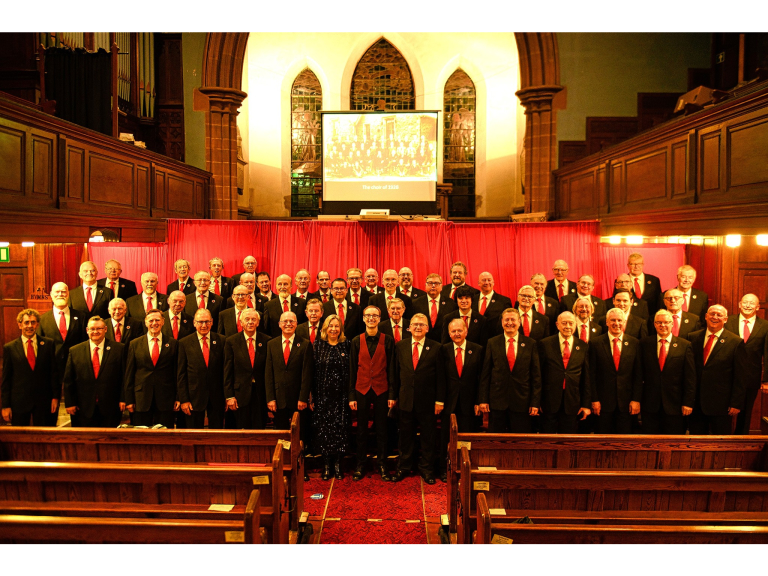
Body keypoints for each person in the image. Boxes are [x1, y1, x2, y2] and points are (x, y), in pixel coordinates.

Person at [390, 313, 445, 484]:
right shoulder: (400, 346)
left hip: (428, 402)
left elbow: (441, 378)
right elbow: (394, 374)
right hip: (405, 400)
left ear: (427, 328)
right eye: (415, 324)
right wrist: (393, 397)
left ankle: (427, 469)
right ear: (409, 327)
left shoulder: (436, 347)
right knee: (405, 437)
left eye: (422, 324)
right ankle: (403, 467)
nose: (418, 327)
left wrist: (439, 400)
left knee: (428, 438)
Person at [349, 306, 395, 481]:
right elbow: (352, 370)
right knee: (361, 430)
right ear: (363, 318)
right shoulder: (356, 341)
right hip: (361, 389)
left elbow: (391, 368)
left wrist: (392, 394)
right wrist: (352, 395)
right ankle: (360, 464)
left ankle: (382, 464)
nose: (371, 318)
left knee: (382, 430)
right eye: (368, 315)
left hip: (382, 389)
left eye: (374, 315)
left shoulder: (388, 340)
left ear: (380, 318)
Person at [478, 309, 541, 433]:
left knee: (520, 443)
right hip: (497, 402)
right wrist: (483, 399)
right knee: (496, 442)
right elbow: (485, 374)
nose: (510, 323)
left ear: (519, 322)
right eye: (507, 320)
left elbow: (536, 376)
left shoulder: (530, 344)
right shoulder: (492, 342)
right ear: (502, 322)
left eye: (513, 320)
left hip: (522, 402)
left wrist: (535, 402)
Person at [688, 305, 746, 435]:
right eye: (712, 314)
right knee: (695, 443)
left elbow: (740, 376)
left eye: (719, 315)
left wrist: (736, 403)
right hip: (696, 403)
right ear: (706, 316)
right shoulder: (692, 338)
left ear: (725, 319)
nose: (715, 317)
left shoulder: (735, 342)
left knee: (720, 443)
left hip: (722, 405)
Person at [37, 282, 87, 425]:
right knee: (51, 406)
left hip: (76, 367)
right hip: (52, 368)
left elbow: (85, 343)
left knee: (77, 405)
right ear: (51, 295)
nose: (60, 295)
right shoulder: (43, 319)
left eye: (64, 292)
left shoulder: (81, 316)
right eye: (57, 292)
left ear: (68, 294)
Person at [640, 310, 696, 435]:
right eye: (659, 322)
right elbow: (639, 374)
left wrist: (688, 402)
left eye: (666, 322)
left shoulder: (684, 345)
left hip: (675, 405)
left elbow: (690, 377)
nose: (662, 325)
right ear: (654, 324)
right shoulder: (644, 343)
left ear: (672, 324)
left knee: (674, 442)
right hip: (649, 404)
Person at [63, 316, 125, 428]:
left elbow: (124, 377)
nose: (95, 331)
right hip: (82, 407)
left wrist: (123, 399)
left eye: (99, 328)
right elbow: (69, 379)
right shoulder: (75, 350)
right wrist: (70, 403)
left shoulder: (119, 349)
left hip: (111, 406)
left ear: (105, 329)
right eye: (92, 329)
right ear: (87, 330)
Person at [588, 308, 642, 434]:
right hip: (603, 404)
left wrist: (636, 399)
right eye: (613, 320)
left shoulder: (634, 343)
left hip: (627, 403)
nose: (616, 323)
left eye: (619, 320)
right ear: (607, 322)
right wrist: (594, 400)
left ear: (624, 322)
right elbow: (591, 374)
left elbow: (638, 374)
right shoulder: (595, 343)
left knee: (624, 442)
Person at [124, 309, 179, 428]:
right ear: (145, 322)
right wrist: (129, 399)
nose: (154, 323)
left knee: (166, 435)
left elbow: (176, 373)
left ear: (163, 322)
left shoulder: (173, 343)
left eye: (157, 320)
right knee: (141, 436)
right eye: (151, 320)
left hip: (165, 398)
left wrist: (177, 397)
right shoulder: (135, 344)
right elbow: (129, 373)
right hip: (141, 399)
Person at [2, 309, 57, 426]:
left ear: (37, 324)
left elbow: (53, 373)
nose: (29, 326)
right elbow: (6, 380)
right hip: (19, 403)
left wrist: (55, 397)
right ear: (20, 324)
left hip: (44, 401)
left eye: (33, 322)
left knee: (45, 436)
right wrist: (5, 405)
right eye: (26, 322)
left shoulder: (48, 344)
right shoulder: (10, 348)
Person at [537, 312, 591, 433]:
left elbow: (586, 377)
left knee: (568, 439)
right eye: (564, 323)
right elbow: (538, 374)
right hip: (549, 401)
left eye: (571, 323)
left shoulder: (583, 346)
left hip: (572, 401)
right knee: (547, 438)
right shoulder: (545, 344)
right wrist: (537, 401)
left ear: (575, 325)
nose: (567, 326)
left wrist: (586, 404)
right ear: (557, 325)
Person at [313, 315, 352, 480]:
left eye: (337, 326)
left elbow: (352, 371)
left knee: (340, 429)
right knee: (325, 430)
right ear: (325, 329)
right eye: (330, 326)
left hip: (342, 397)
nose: (334, 329)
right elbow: (312, 372)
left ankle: (338, 463)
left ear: (341, 329)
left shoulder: (347, 345)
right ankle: (327, 464)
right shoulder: (317, 345)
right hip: (322, 396)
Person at [724, 294, 768, 434]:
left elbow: (767, 353)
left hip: (751, 376)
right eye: (745, 302)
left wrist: (766, 380)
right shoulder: (727, 321)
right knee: (724, 412)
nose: (748, 305)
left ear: (757, 307)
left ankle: (741, 443)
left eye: (751, 303)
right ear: (739, 304)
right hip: (727, 376)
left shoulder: (765, 326)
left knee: (746, 413)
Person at [265, 311, 313, 437]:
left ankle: (299, 455)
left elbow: (306, 374)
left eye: (291, 321)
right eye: (285, 321)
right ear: (279, 324)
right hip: (278, 398)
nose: (288, 324)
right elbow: (269, 373)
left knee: (299, 432)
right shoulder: (271, 344)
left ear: (296, 324)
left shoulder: (305, 344)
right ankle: (284, 456)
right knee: (281, 433)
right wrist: (271, 398)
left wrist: (303, 398)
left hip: (298, 399)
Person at [177, 309, 226, 429]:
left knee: (217, 435)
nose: (204, 325)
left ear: (212, 322)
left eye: (207, 322)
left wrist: (227, 396)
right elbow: (181, 374)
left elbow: (225, 371)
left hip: (217, 397)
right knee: (194, 435)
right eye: (200, 322)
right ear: (194, 323)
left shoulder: (222, 340)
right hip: (193, 398)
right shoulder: (184, 343)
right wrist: (184, 400)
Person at [224, 309, 271, 429]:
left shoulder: (267, 341)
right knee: (241, 430)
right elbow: (227, 370)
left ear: (258, 323)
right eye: (247, 319)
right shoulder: (231, 341)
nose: (250, 322)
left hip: (261, 393)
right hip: (239, 394)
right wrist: (229, 396)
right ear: (241, 322)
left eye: (253, 319)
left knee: (259, 429)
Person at [412, 274, 455, 342]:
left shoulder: (450, 303)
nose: (433, 286)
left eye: (436, 283)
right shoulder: (416, 303)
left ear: (441, 286)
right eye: (430, 283)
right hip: (422, 343)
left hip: (444, 343)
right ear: (425, 286)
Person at [473, 271, 512, 338]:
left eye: (489, 280)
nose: (487, 282)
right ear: (478, 283)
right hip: (475, 340)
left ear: (493, 282)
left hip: (495, 340)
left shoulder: (504, 301)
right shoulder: (472, 300)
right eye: (483, 280)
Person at [627, 252, 662, 319]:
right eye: (633, 264)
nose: (636, 267)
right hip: (630, 319)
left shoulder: (654, 280)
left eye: (639, 264)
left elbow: (659, 302)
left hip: (651, 318)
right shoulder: (622, 281)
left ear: (643, 264)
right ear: (628, 265)